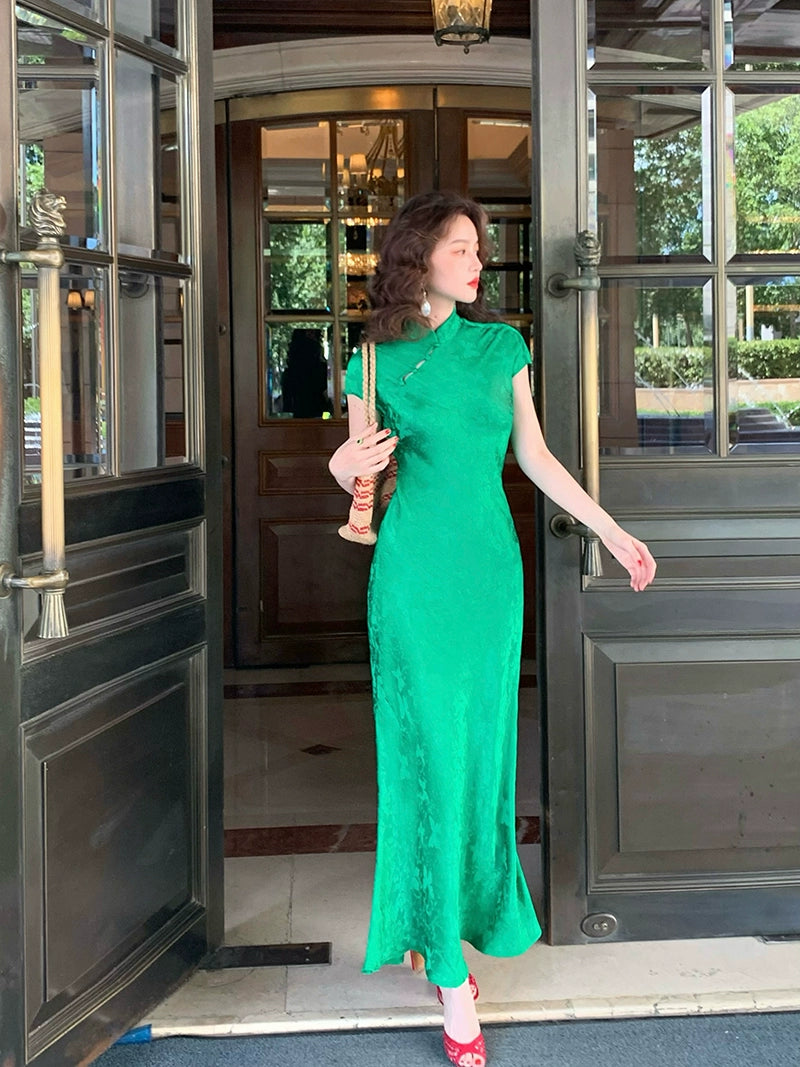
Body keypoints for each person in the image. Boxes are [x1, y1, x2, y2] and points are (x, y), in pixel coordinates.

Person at [328, 191, 656, 1067]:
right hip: (412, 580)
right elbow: (363, 481)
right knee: (426, 758)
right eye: (461, 248)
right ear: (418, 258)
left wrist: (609, 529)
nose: (478, 261)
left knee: (477, 761)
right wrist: (340, 460)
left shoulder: (502, 347)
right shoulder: (374, 359)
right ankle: (447, 970)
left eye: (479, 248)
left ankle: (447, 924)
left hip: (488, 578)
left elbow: (534, 456)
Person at [281, 328, 329, 417]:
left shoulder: (289, 373)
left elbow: (287, 405)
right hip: (319, 417)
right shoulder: (320, 369)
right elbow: (326, 400)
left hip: (296, 418)